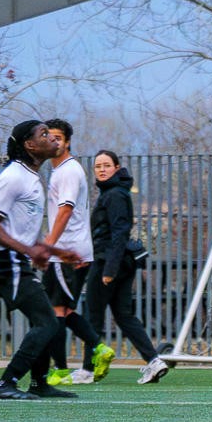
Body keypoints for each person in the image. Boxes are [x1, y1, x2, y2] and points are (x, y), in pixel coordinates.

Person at [0, 119, 78, 399]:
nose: (52, 138)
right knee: (47, 322)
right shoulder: (13, 176)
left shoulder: (30, 176)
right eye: (45, 134)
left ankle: (39, 383)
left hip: (11, 258)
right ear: (30, 145)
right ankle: (4, 384)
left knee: (46, 320)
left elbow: (17, 232)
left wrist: (54, 251)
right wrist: (29, 251)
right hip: (0, 260)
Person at [85, 151, 171, 384]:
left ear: (117, 167)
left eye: (106, 165)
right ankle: (154, 361)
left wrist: (109, 269)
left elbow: (120, 232)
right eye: (98, 166)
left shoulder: (114, 194)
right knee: (123, 315)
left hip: (109, 261)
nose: (102, 170)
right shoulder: (113, 192)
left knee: (93, 315)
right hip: (119, 261)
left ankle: (87, 369)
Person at [40, 119, 114, 387]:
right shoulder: (59, 170)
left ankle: (62, 369)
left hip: (66, 251)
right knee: (63, 310)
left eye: (58, 138)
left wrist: (49, 245)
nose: (53, 142)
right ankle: (95, 349)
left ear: (68, 142)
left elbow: (66, 209)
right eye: (48, 137)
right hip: (69, 250)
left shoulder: (69, 171)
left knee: (55, 310)